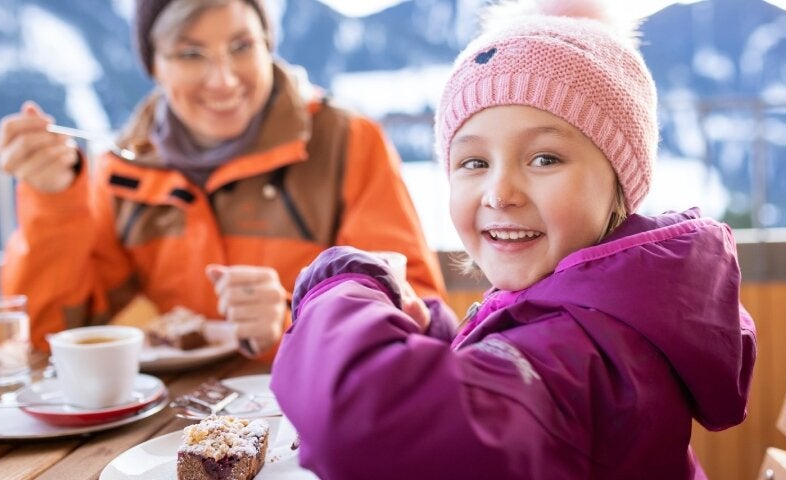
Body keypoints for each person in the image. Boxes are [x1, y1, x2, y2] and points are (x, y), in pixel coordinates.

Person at [270, 0, 757, 477]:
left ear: (619, 187)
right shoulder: (600, 309)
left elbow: (358, 424)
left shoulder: (592, 352)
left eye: (544, 159)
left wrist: (342, 283)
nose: (499, 194)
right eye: (474, 163)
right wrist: (433, 335)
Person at [0, 0, 446, 359]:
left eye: (242, 46)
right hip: (178, 426)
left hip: (315, 420)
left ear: (268, 46)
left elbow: (418, 311)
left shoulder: (348, 142)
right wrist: (53, 200)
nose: (224, 80)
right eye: (191, 54)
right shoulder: (126, 170)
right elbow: (51, 334)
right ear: (155, 66)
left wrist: (297, 318)